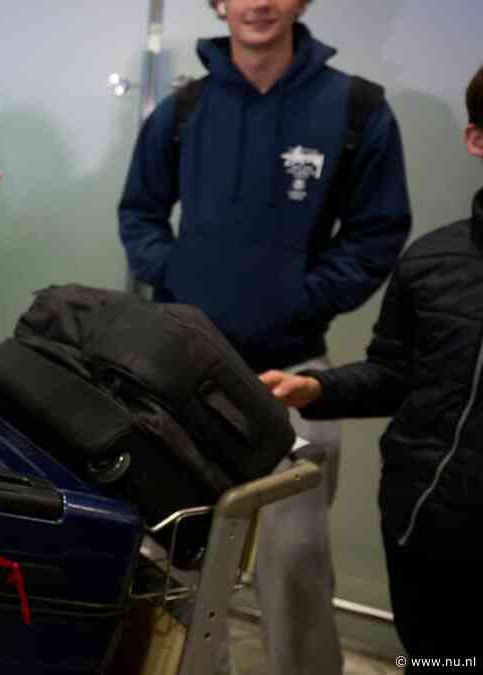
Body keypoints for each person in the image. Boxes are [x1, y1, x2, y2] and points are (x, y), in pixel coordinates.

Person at [117, 2, 412, 673]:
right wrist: (175, 276)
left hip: (294, 374)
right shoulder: (182, 110)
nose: (258, 3)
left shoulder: (357, 109)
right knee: (178, 567)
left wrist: (301, 298)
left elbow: (377, 233)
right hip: (183, 380)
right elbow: (139, 211)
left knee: (296, 568)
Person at [260, 63, 483, 670]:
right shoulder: (432, 262)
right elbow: (397, 373)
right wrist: (315, 388)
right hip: (425, 531)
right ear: (476, 140)